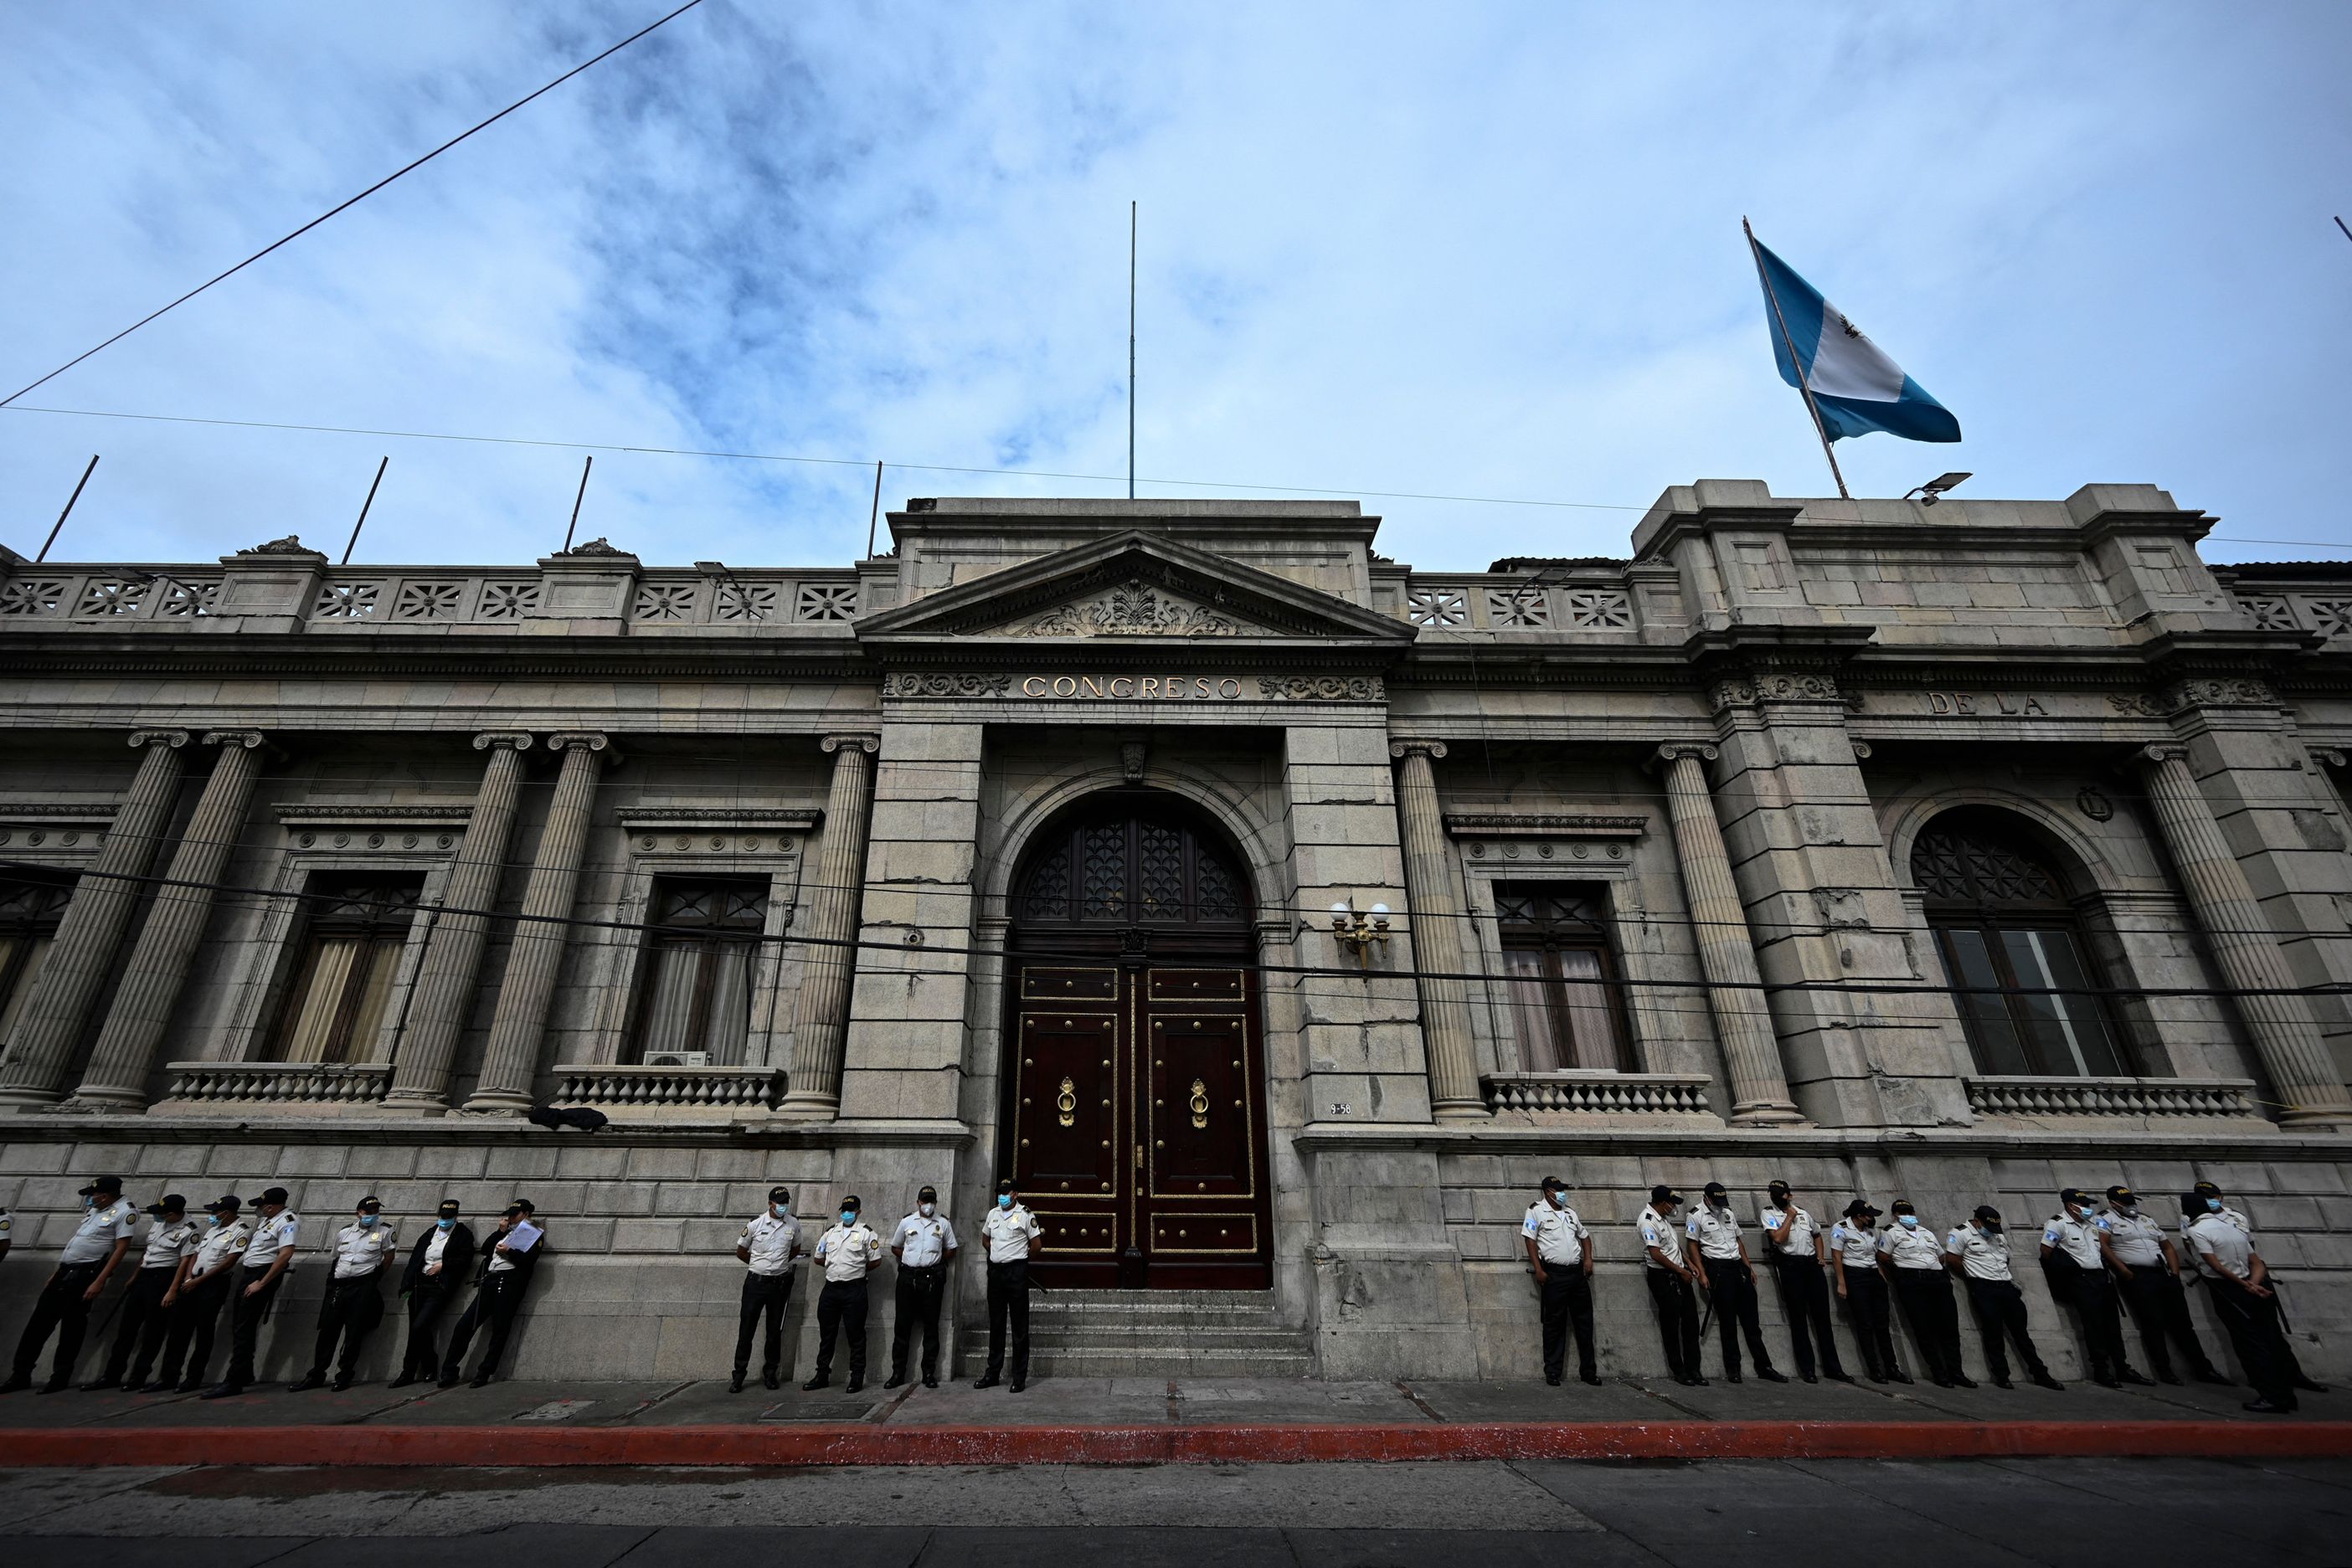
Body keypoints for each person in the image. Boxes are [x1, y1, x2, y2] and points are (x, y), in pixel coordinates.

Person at [2182, 1180, 2324, 1395]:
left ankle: (2281, 1381)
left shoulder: (2233, 1219)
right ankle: (2270, 1384)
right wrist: (2251, 1284)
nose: (2209, 1199)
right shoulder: (2192, 1224)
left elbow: (2239, 1256)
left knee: (2263, 1337)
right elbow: (2201, 1254)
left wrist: (2250, 1283)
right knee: (2251, 1337)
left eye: (2211, 1195)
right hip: (2239, 1282)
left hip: (2246, 1280)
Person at [3, 1175, 137, 1394]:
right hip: (65, 1271)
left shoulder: (125, 1212)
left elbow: (121, 1248)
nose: (91, 1199)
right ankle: (20, 1374)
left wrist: (100, 1280)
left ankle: (60, 1376)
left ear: (105, 1196)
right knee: (37, 1325)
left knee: (71, 1329)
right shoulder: (95, 1210)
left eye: (93, 1195)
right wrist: (58, 1270)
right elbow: (78, 1241)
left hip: (85, 1275)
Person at [2098, 1185, 2226, 1386]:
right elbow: (2103, 1245)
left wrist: (2175, 1273)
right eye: (2125, 1201)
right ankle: (2164, 1370)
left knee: (2183, 1324)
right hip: (2137, 1276)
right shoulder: (2105, 1219)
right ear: (2114, 1203)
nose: (2130, 1205)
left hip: (2163, 1274)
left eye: (2132, 1200)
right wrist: (2123, 1270)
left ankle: (2204, 1368)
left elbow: (2166, 1246)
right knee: (2152, 1323)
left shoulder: (2146, 1219)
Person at [82, 1193, 199, 1391]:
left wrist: (172, 1290)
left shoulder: (189, 1231)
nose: (158, 1217)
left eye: (162, 1214)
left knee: (153, 1332)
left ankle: (138, 1376)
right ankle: (112, 1374)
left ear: (172, 1214)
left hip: (163, 1279)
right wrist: (135, 1276)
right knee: (126, 1330)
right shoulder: (159, 1225)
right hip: (144, 1276)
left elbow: (184, 1262)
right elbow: (148, 1252)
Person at [1945, 1205, 2062, 1391]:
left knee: (2022, 1334)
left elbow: (2005, 1257)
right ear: (1977, 1222)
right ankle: (2002, 1375)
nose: (1991, 1232)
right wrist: (1973, 1276)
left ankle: (2040, 1373)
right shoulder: (1960, 1233)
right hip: (1984, 1288)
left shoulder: (1997, 1235)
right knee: (1993, 1334)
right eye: (1987, 1227)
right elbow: (1952, 1259)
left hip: (2006, 1287)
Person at [291, 1196, 398, 1391]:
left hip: (362, 1286)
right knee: (327, 1331)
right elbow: (338, 1257)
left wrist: (374, 1278)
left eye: (376, 1211)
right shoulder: (345, 1232)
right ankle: (316, 1374)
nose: (373, 1215)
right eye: (368, 1212)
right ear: (359, 1213)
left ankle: (344, 1375)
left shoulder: (385, 1231)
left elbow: (389, 1257)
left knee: (354, 1332)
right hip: (339, 1286)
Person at [143, 1195, 249, 1392]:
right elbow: (195, 1254)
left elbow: (228, 1261)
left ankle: (193, 1378)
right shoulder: (213, 1230)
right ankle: (169, 1376)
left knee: (204, 1332)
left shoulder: (240, 1231)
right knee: (179, 1331)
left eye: (215, 1212)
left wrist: (199, 1280)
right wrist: (189, 1277)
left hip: (213, 1284)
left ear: (227, 1213)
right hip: (192, 1283)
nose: (212, 1215)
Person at [2041, 1187, 2144, 1388]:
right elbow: (2046, 1252)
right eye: (2084, 1205)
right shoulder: (2058, 1225)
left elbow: (2102, 1250)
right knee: (2093, 1326)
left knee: (2112, 1326)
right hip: (2081, 1280)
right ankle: (2101, 1370)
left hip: (2102, 1278)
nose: (2088, 1208)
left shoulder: (2094, 1224)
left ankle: (2122, 1367)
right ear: (2071, 1206)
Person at [203, 1185, 299, 1399]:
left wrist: (262, 1283)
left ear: (272, 1206)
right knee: (240, 1325)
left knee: (244, 1328)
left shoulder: (287, 1221)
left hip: (260, 1276)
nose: (260, 1210)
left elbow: (285, 1255)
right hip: (250, 1274)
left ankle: (233, 1381)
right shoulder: (269, 1221)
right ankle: (245, 1372)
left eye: (263, 1206)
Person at [1686, 1181, 1783, 1385]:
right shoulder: (1695, 1215)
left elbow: (1738, 1241)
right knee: (1728, 1322)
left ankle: (1765, 1366)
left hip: (1738, 1268)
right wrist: (1702, 1274)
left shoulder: (1728, 1212)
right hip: (1718, 1270)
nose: (1720, 1204)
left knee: (1752, 1322)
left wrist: (1749, 1268)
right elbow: (1692, 1245)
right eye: (1716, 1200)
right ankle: (1733, 1368)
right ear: (1707, 1198)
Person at [440, 1200, 543, 1388]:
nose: (511, 1218)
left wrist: (510, 1251)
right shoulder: (505, 1233)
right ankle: (449, 1370)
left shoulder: (533, 1234)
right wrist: (500, 1232)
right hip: (490, 1281)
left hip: (509, 1284)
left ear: (526, 1214)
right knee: (464, 1325)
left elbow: (529, 1261)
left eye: (515, 1215)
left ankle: (484, 1371)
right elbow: (486, 1249)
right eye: (509, 1215)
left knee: (500, 1330)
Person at [1759, 1180, 1846, 1384]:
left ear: (1789, 1195)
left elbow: (1817, 1235)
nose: (1776, 1196)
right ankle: (1808, 1369)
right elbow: (1778, 1239)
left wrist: (1820, 1257)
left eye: (1780, 1194)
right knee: (1798, 1320)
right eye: (1773, 1193)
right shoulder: (1769, 1213)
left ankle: (1834, 1367)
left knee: (1822, 1319)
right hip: (1790, 1267)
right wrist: (1789, 1218)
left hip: (1811, 1266)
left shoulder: (1804, 1213)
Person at [1881, 1199, 1974, 1388]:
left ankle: (1956, 1372)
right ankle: (1939, 1373)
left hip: (1938, 1280)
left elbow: (1941, 1255)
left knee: (1949, 1329)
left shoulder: (1926, 1233)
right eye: (1902, 1212)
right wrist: (1901, 1276)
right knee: (1924, 1329)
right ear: (1894, 1215)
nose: (1907, 1215)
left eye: (1909, 1212)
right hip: (1913, 1282)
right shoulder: (1891, 1232)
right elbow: (1883, 1256)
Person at [1521, 1175, 1598, 1387]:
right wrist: (1538, 1270)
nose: (1562, 1193)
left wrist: (1588, 1259)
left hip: (1576, 1274)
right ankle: (1553, 1371)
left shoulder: (1570, 1212)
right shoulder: (1536, 1211)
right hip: (1554, 1274)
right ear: (1548, 1192)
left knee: (1584, 1323)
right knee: (1554, 1324)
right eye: (1558, 1190)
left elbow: (1585, 1236)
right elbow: (1530, 1239)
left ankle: (1589, 1371)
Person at [804, 1194, 883, 1392]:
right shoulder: (830, 1233)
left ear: (858, 1212)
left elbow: (875, 1261)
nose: (847, 1214)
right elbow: (819, 1257)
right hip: (831, 1289)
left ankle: (856, 1377)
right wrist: (835, 1267)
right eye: (844, 1210)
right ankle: (822, 1374)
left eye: (851, 1210)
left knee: (855, 1334)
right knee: (827, 1335)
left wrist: (855, 1270)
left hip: (854, 1290)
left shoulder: (866, 1233)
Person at [391, 1200, 474, 1388]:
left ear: (455, 1217)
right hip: (421, 1285)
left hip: (439, 1286)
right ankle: (417, 1370)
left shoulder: (462, 1235)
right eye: (442, 1217)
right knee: (416, 1328)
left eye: (449, 1217)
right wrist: (406, 1284)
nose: (445, 1220)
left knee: (420, 1326)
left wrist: (444, 1266)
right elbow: (415, 1259)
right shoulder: (430, 1233)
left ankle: (419, 1368)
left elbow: (465, 1259)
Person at [886, 1184, 957, 1391]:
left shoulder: (942, 1223)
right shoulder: (907, 1222)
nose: (928, 1205)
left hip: (931, 1279)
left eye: (931, 1201)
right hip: (908, 1277)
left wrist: (936, 1262)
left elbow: (952, 1248)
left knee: (931, 1327)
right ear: (918, 1202)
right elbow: (895, 1246)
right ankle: (898, 1372)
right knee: (902, 1326)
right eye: (925, 1201)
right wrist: (910, 1259)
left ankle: (928, 1373)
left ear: (935, 1203)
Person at [732, 1185, 802, 1392]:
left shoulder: (794, 1224)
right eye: (780, 1203)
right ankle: (739, 1375)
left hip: (778, 1285)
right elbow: (741, 1251)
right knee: (747, 1330)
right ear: (770, 1203)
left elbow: (796, 1248)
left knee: (774, 1332)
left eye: (786, 1203)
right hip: (755, 1284)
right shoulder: (755, 1224)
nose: (783, 1207)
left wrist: (778, 1266)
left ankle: (770, 1374)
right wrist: (759, 1266)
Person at [975, 1178, 1042, 1392]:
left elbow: (1036, 1245)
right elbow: (985, 1239)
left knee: (1019, 1326)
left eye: (1006, 1192)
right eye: (1000, 1192)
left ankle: (1019, 1376)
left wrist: (1018, 1258)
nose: (1002, 1196)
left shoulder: (1025, 1215)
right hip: (996, 1273)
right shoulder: (993, 1214)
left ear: (1015, 1194)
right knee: (996, 1324)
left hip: (1016, 1272)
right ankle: (993, 1373)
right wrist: (997, 1255)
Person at [1637, 1184, 1704, 1386]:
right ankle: (1679, 1370)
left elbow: (1673, 1247)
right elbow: (1656, 1253)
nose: (1673, 1207)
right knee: (1671, 1324)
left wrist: (1689, 1264)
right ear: (1661, 1203)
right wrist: (1681, 1271)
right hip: (1663, 1277)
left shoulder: (1664, 1220)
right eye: (1671, 1203)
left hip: (1680, 1273)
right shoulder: (1648, 1221)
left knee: (1691, 1322)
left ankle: (1694, 1369)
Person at [1830, 1200, 1905, 1383]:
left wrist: (1881, 1278)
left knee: (1882, 1324)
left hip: (1873, 1275)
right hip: (1855, 1276)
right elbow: (1836, 1256)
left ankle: (1892, 1368)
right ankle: (1875, 1369)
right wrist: (1842, 1283)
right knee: (1865, 1324)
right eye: (1869, 1215)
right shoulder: (1840, 1228)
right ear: (1858, 1216)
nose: (1872, 1218)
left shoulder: (1871, 1231)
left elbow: (1874, 1257)